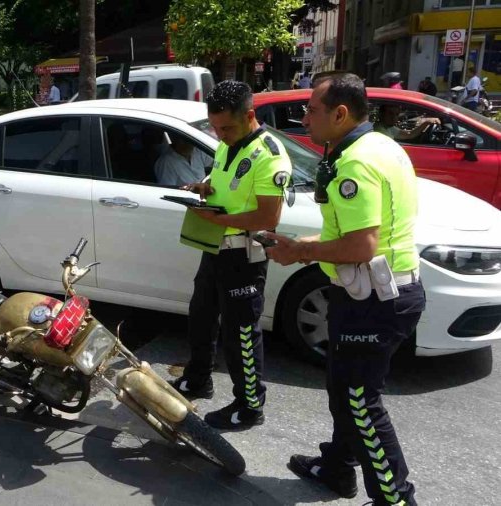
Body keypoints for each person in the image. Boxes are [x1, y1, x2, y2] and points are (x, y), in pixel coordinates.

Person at [264, 73, 423, 506]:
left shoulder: (356, 161)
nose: (304, 118)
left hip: (374, 299)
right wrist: (303, 246)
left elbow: (360, 244)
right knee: (344, 389)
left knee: (358, 400)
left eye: (311, 110)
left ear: (340, 113)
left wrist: (299, 253)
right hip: (371, 292)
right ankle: (337, 467)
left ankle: (395, 498)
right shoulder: (380, 145)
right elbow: (356, 235)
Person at [169, 80, 292, 430]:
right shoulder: (228, 144)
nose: (221, 134)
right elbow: (224, 180)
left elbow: (269, 217)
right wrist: (204, 186)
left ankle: (250, 406)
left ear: (249, 115)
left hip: (244, 255)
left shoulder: (268, 153)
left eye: (227, 127)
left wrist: (218, 219)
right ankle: (197, 379)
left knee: (241, 334)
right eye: (216, 127)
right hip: (216, 247)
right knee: (201, 316)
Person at [374, 104, 441, 142]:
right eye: (390, 114)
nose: (394, 117)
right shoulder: (379, 131)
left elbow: (409, 134)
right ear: (382, 114)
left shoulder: (388, 127)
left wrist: (426, 122)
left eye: (396, 114)